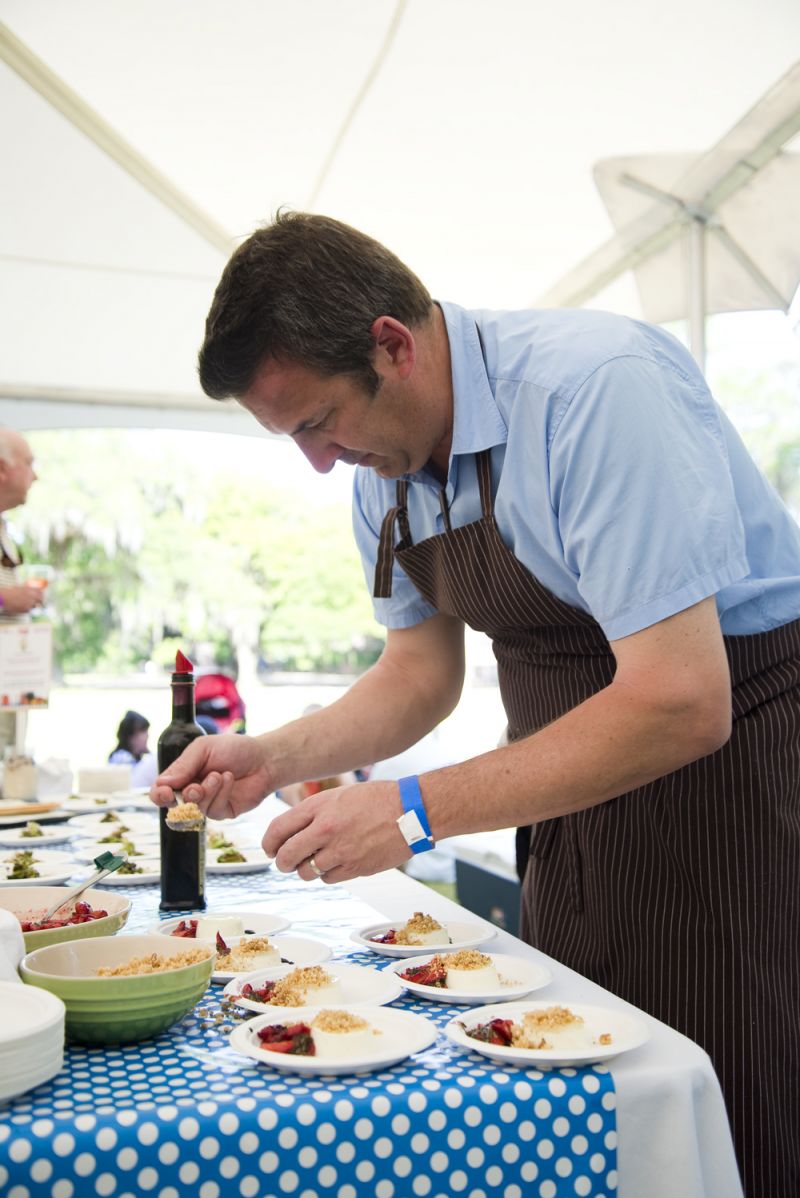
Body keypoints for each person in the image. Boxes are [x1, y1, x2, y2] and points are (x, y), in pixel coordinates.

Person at [151, 212, 800, 1196]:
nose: (318, 463)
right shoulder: (384, 470)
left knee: (734, 1095)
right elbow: (418, 674)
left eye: (317, 422)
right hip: (565, 798)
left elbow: (678, 698)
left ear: (391, 345)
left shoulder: (593, 392)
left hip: (732, 788)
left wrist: (411, 810)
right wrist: (271, 756)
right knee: (575, 1082)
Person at [0, 429, 42, 755]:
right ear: (2, 469)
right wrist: (4, 598)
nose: (36, 476)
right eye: (28, 464)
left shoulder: (5, 528)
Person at [109, 710, 157, 788]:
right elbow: (132, 785)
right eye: (142, 731)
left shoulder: (137, 758)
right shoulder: (121, 757)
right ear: (129, 736)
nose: (147, 736)